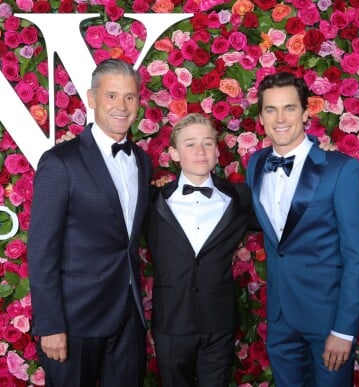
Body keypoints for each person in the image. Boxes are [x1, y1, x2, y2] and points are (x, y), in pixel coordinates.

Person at [27, 59, 152, 386]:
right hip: (74, 321)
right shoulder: (60, 162)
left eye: (130, 97)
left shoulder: (141, 159)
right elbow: (42, 251)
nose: (122, 106)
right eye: (112, 96)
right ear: (92, 98)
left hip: (128, 316)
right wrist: (50, 324)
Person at [245, 72, 359, 386]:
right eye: (271, 110)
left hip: (328, 319)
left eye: (289, 108)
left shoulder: (342, 170)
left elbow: (358, 255)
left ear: (305, 113)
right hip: (279, 318)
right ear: (261, 117)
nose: (280, 118)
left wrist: (344, 330)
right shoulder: (256, 164)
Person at [145, 113, 252, 387]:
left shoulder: (240, 198)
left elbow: (286, 205)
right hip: (171, 321)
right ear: (174, 154)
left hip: (219, 323)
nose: (200, 151)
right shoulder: (151, 201)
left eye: (207, 143)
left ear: (217, 151)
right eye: (190, 144)